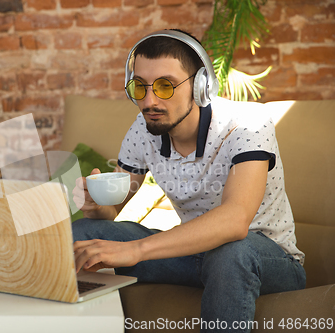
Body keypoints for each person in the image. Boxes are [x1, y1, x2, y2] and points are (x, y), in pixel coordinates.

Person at [71, 29, 306, 333]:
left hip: (264, 258)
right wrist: (96, 207)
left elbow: (235, 221)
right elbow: (111, 212)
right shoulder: (144, 131)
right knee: (82, 234)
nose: (149, 101)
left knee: (232, 251)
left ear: (200, 86)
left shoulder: (248, 123)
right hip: (193, 255)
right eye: (139, 87)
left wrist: (137, 250)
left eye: (165, 86)